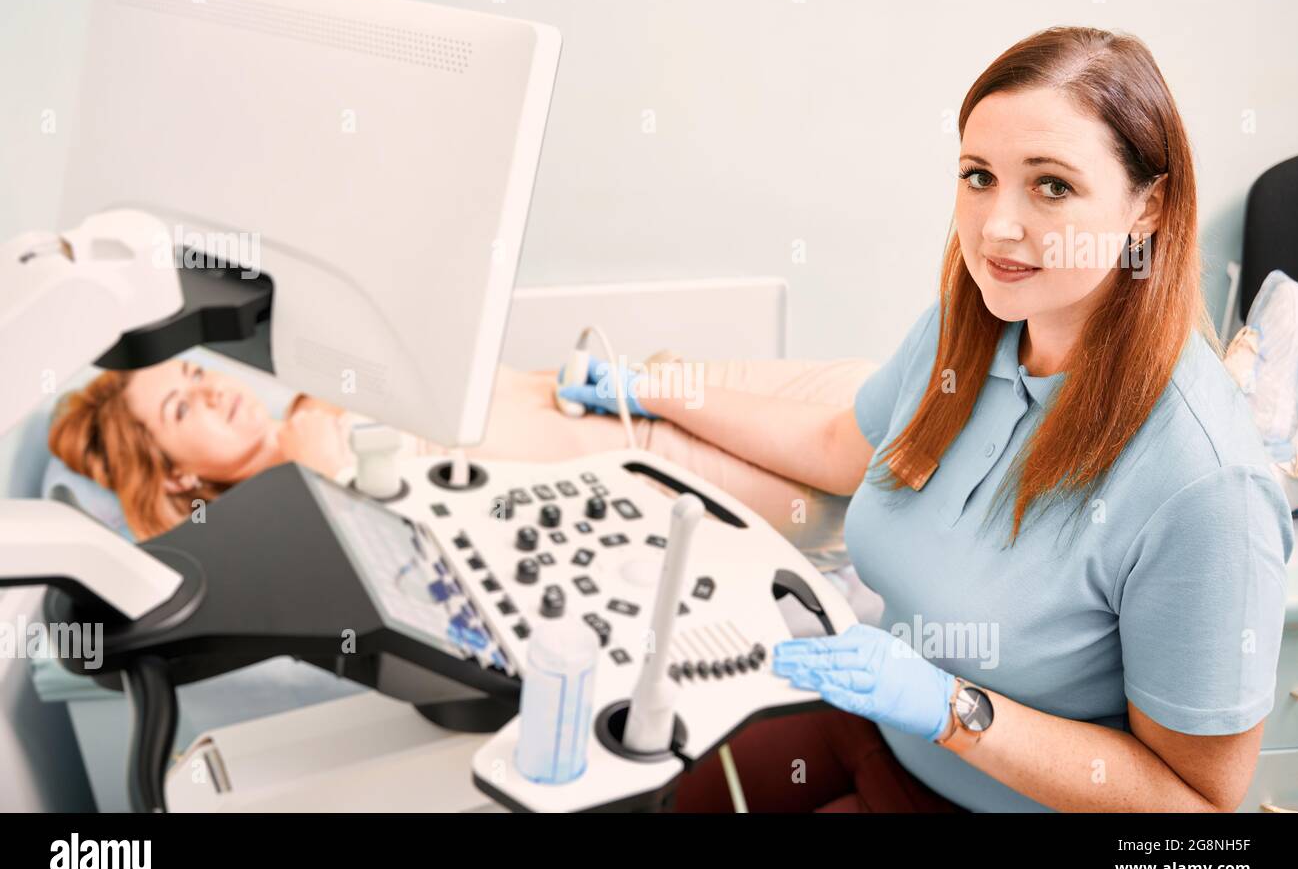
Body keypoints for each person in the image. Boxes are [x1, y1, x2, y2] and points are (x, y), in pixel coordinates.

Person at [560, 26, 1294, 813]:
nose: (997, 226)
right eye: (979, 176)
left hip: (984, 791)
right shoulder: (973, 330)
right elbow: (842, 445)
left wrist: (954, 709)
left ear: (1149, 205)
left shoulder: (1205, 486)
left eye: (1051, 186)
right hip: (876, 729)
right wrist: (657, 390)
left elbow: (1201, 815)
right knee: (649, 790)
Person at [47, 354, 873, 574]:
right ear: (178, 478)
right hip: (657, 461)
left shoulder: (313, 398)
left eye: (195, 374)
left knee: (877, 393)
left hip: (667, 391)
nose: (213, 390)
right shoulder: (296, 493)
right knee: (863, 476)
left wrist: (649, 382)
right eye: (181, 408)